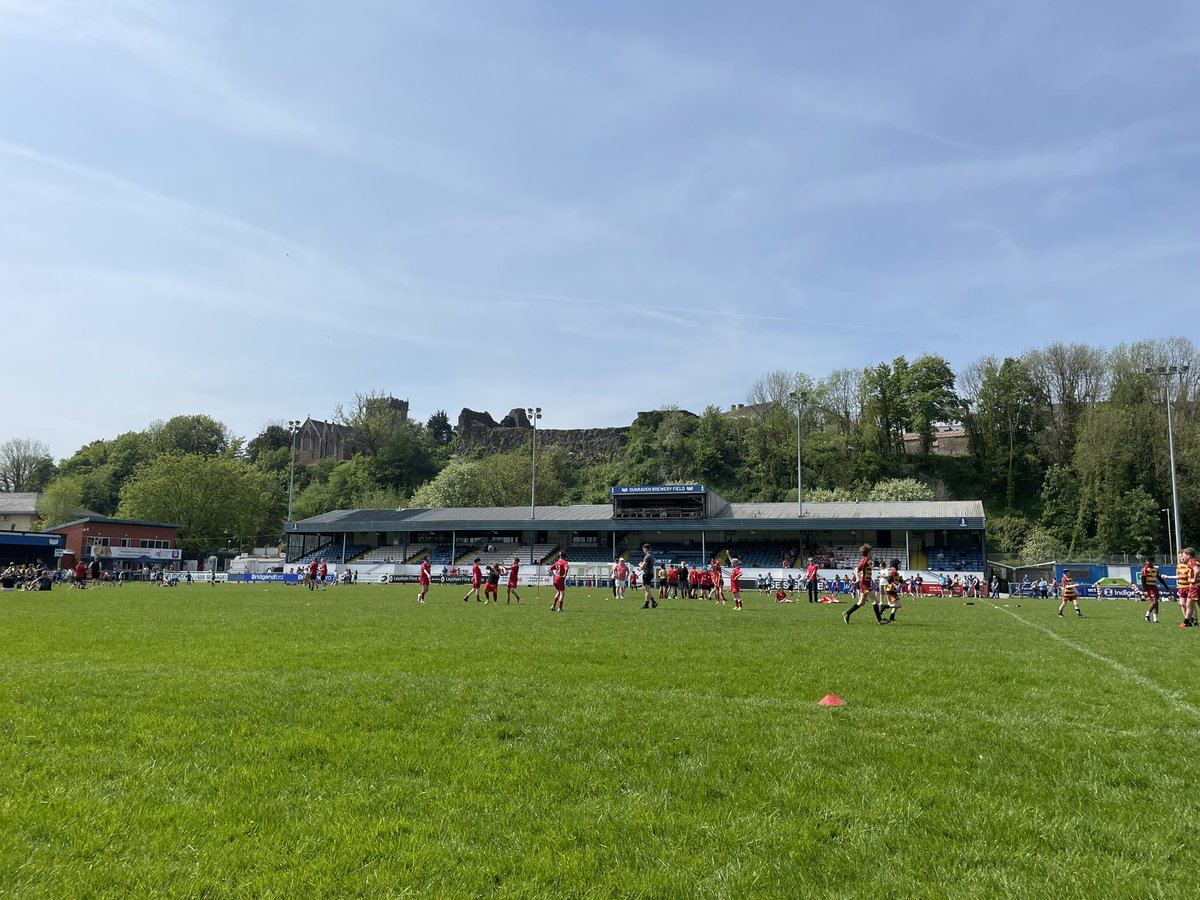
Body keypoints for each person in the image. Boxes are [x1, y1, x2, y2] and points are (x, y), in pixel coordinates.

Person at [843, 544, 883, 624]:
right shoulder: (865, 560)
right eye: (871, 552)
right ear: (868, 552)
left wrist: (871, 581)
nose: (872, 554)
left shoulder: (868, 560)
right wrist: (857, 579)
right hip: (864, 584)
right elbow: (856, 570)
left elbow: (865, 573)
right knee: (875, 601)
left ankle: (847, 613)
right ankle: (880, 620)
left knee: (862, 602)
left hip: (866, 583)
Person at [1140, 556, 1160, 624]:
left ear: (1152, 562)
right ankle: (1147, 615)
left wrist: (1167, 587)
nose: (1148, 562)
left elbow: (1160, 579)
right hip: (1149, 587)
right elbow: (1143, 581)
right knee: (1154, 602)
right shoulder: (1144, 569)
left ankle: (1155, 620)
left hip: (1154, 587)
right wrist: (1145, 590)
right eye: (1147, 561)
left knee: (1156, 603)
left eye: (1149, 561)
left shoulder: (1155, 569)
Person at [882, 558, 902, 623]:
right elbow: (889, 579)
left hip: (892, 590)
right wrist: (895, 585)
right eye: (899, 564)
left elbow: (897, 580)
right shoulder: (893, 571)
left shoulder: (896, 572)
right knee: (899, 605)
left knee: (896, 604)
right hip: (891, 590)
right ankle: (885, 606)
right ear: (895, 565)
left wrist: (902, 581)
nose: (900, 566)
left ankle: (892, 617)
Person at [639, 544, 658, 609]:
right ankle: (652, 602)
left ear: (645, 549)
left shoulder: (647, 557)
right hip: (650, 573)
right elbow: (655, 562)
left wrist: (640, 564)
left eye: (643, 549)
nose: (643, 550)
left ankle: (649, 603)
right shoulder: (652, 556)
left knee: (647, 589)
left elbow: (642, 567)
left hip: (647, 574)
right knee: (645, 589)